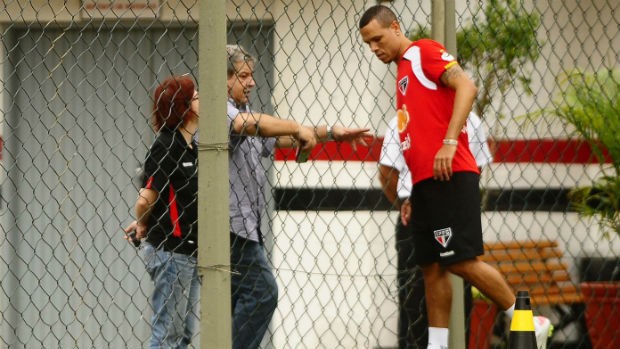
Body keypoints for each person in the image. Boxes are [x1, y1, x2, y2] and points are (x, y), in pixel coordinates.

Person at [360, 5, 550, 349]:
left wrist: (449, 142)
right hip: (424, 185)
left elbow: (467, 86)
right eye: (368, 43)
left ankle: (526, 319)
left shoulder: (422, 51)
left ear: (395, 27)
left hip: (451, 174)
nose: (374, 48)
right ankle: (437, 345)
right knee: (432, 267)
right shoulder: (403, 70)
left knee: (460, 260)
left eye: (377, 38)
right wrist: (412, 196)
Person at [379, 112, 491, 349]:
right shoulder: (403, 119)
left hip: (456, 214)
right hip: (416, 213)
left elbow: (475, 168)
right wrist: (405, 206)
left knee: (462, 295)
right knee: (415, 299)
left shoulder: (470, 120)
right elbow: (387, 172)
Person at [125, 75, 201, 348]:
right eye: (195, 96)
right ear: (183, 106)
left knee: (181, 335)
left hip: (187, 251)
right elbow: (147, 199)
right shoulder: (167, 144)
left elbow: (172, 196)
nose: (201, 99)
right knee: (168, 336)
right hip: (172, 252)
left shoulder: (191, 146)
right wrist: (143, 221)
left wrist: (145, 223)